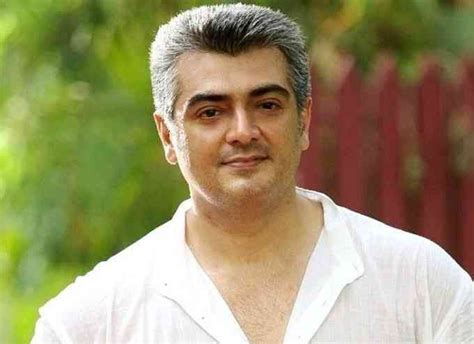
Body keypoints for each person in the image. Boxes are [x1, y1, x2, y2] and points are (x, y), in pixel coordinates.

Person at [32, 4, 472, 343]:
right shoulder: (90, 321)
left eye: (267, 105)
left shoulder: (420, 283)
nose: (243, 132)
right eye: (210, 111)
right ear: (167, 135)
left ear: (303, 120)